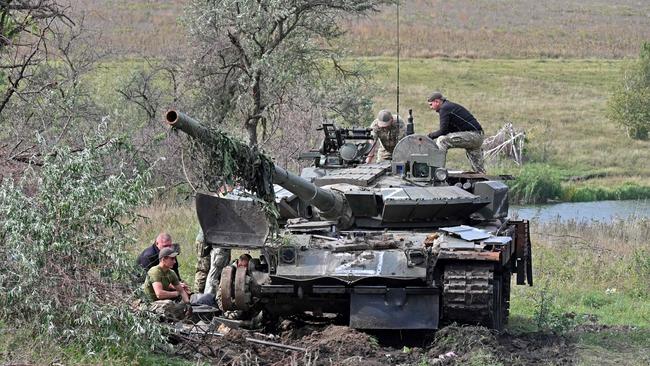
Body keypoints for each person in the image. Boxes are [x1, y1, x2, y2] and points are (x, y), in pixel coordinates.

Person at [427, 92, 486, 173]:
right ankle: (482, 178)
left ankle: (438, 172)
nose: (431, 107)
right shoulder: (449, 106)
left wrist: (429, 136)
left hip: (472, 135)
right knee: (479, 172)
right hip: (478, 136)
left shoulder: (444, 108)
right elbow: (448, 130)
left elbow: (443, 131)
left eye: (431, 104)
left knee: (442, 141)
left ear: (437, 102)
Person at [143, 247, 191, 321]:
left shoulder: (171, 273)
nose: (174, 261)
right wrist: (177, 293)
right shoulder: (155, 271)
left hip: (160, 303)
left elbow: (181, 291)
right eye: (172, 259)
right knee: (169, 304)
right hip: (148, 304)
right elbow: (159, 294)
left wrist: (188, 304)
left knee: (183, 305)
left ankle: (179, 327)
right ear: (163, 259)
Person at [193, 228, 231, 296]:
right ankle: (205, 298)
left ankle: (198, 297)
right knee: (214, 273)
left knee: (202, 270)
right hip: (219, 239)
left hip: (203, 238)